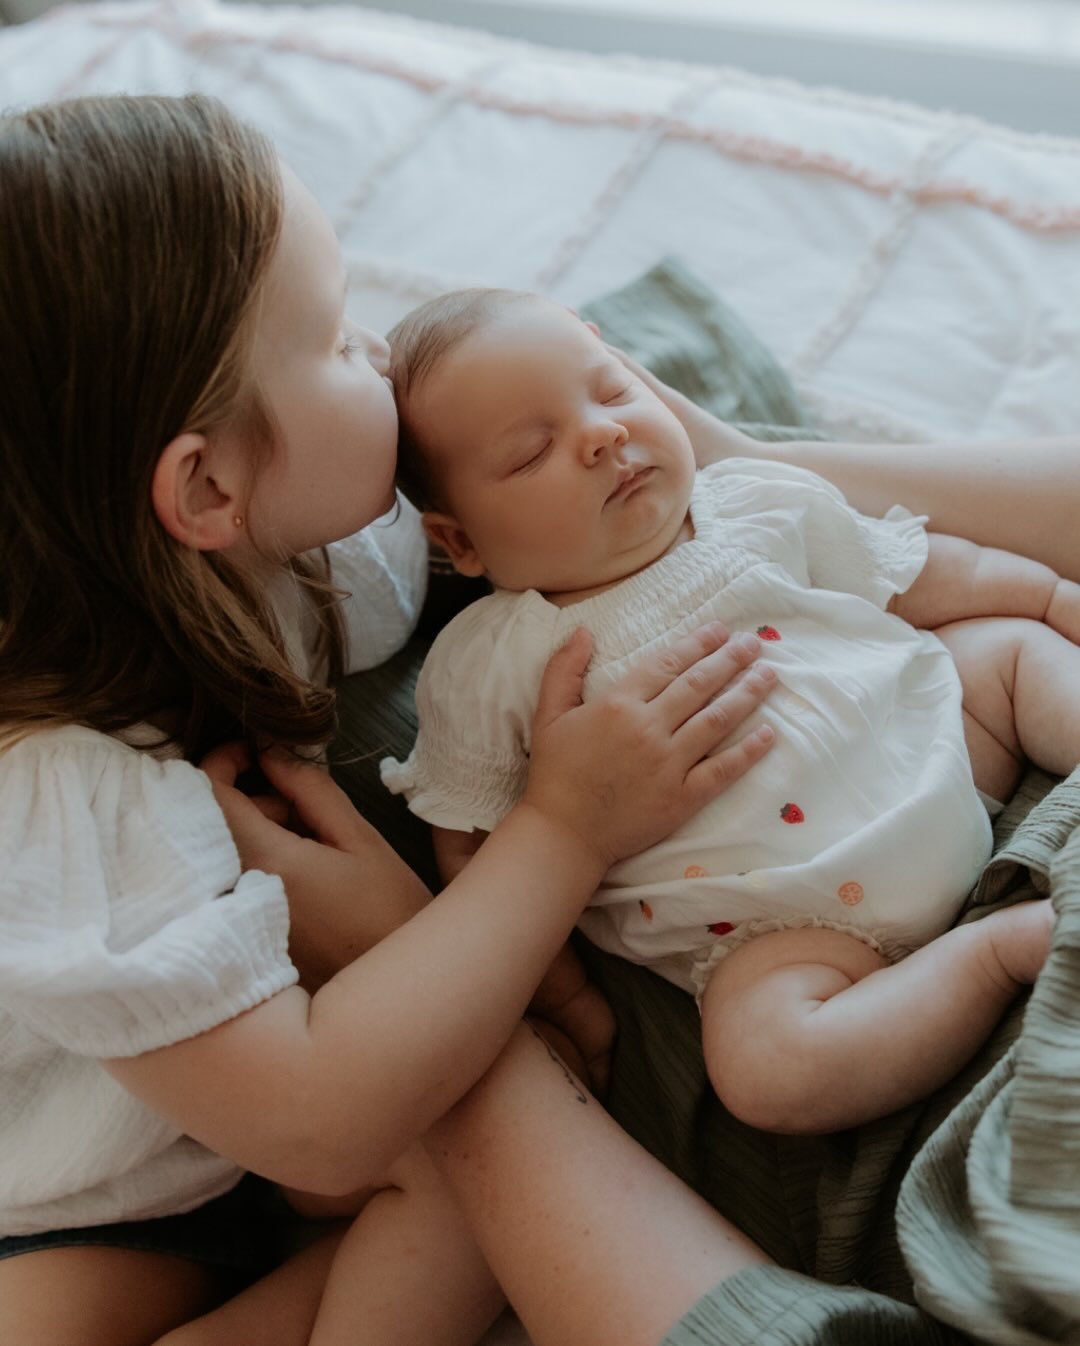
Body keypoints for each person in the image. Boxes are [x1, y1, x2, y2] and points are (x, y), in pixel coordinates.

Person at [0, 94, 787, 1346]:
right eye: (331, 335)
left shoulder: (319, 555)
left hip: (233, 1131)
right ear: (205, 483)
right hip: (65, 1193)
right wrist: (565, 827)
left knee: (481, 1176)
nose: (377, 351)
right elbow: (318, 1110)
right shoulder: (61, 804)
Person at [381, 285, 1068, 1135]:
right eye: (530, 454)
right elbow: (478, 851)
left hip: (945, 753)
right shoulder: (490, 661)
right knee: (768, 1072)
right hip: (782, 923)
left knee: (1006, 653)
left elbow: (928, 572)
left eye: (613, 391)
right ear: (462, 543)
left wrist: (1049, 599)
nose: (603, 435)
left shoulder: (751, 500)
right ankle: (997, 954)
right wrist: (568, 1001)